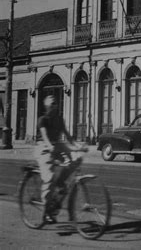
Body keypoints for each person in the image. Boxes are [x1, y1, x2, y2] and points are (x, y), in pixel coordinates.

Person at [34, 94, 83, 223]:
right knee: (49, 178)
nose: (54, 107)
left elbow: (68, 136)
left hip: (57, 145)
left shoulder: (60, 119)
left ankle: (62, 180)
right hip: (44, 147)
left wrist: (78, 146)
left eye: (55, 105)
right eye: (51, 105)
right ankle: (46, 211)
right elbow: (44, 135)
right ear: (47, 107)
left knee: (77, 158)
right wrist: (50, 146)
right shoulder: (43, 119)